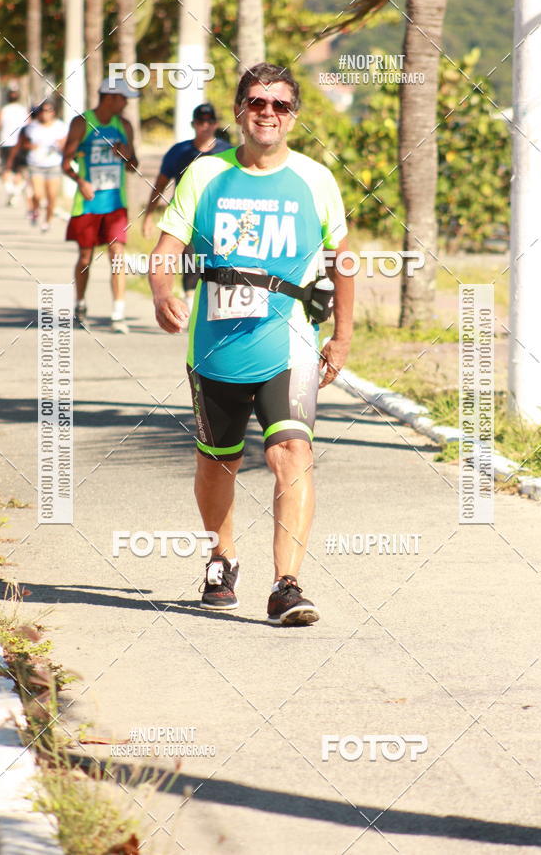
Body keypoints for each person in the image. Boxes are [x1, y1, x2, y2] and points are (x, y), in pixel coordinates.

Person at [149, 63, 353, 626]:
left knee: (292, 452)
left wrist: (342, 336)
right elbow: (167, 247)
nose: (268, 113)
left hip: (288, 342)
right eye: (257, 103)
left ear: (294, 116)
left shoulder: (315, 179)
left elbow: (343, 260)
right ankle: (222, 556)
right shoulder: (204, 175)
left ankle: (287, 583)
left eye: (280, 105)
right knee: (219, 463)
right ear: (240, 110)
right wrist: (163, 289)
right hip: (215, 345)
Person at [62, 77, 139, 333]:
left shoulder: (124, 125)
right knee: (85, 256)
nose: (126, 103)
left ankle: (118, 313)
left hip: (116, 202)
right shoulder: (82, 123)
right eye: (123, 98)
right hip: (88, 203)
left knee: (117, 255)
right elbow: (65, 164)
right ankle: (80, 303)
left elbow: (133, 165)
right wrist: (80, 181)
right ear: (109, 98)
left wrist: (127, 156)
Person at [142, 103, 231, 312]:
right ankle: (190, 306)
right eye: (201, 122)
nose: (205, 126)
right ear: (193, 124)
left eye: (209, 122)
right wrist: (148, 216)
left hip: (220, 217)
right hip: (186, 216)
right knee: (190, 263)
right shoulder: (179, 152)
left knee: (216, 264)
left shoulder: (228, 152)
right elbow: (160, 185)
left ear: (216, 124)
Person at [9, 99, 66, 231]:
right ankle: (34, 209)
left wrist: (60, 145)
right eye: (42, 111)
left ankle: (48, 220)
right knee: (38, 194)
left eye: (48, 110)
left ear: (54, 112)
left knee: (52, 196)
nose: (45, 114)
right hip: (36, 164)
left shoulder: (60, 126)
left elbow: (66, 145)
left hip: (54, 165)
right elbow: (21, 144)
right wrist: (29, 146)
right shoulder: (31, 127)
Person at [0, 85, 28, 206]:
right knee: (19, 170)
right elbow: (28, 125)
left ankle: (11, 191)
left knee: (6, 169)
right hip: (20, 144)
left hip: (6, 143)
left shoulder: (3, 110)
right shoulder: (23, 110)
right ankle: (16, 192)